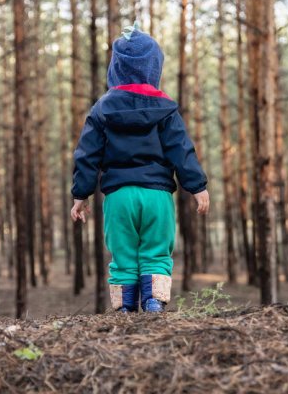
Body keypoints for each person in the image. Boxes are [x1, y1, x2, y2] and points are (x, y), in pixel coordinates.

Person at [70, 23, 209, 313]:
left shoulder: (101, 109)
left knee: (123, 255)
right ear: (154, 67)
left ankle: (124, 308)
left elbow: (87, 154)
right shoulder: (166, 109)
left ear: (115, 69)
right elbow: (180, 149)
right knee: (156, 252)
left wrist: (80, 194)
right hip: (157, 196)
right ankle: (153, 302)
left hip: (118, 197)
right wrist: (197, 186)